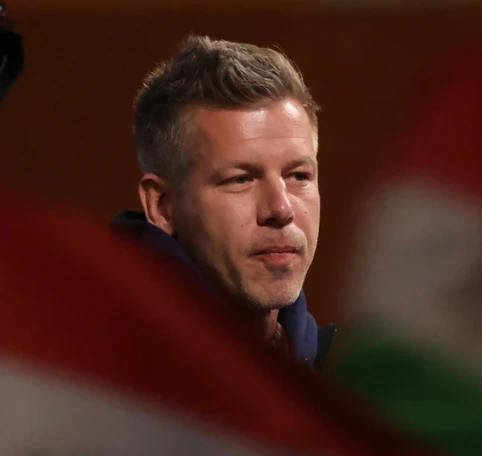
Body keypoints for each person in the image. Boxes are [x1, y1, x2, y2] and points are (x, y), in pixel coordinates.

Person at [111, 35, 334, 369]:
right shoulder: (97, 374)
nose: (281, 209)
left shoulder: (347, 379)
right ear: (162, 206)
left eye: (298, 176)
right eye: (240, 179)